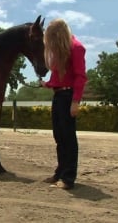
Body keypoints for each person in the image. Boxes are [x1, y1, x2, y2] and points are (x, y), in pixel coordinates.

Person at [39, 18, 87, 190]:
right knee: (59, 137)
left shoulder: (76, 48)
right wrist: (47, 84)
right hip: (59, 96)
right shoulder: (62, 51)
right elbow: (58, 79)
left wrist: (75, 101)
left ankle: (68, 178)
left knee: (68, 138)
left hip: (68, 96)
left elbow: (81, 77)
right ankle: (60, 172)